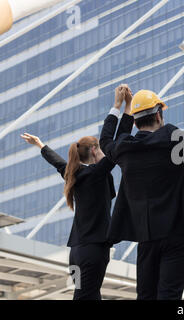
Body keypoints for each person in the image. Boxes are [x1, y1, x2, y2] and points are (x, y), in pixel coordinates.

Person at [100, 60, 184, 300]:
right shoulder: (172, 140)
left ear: (136, 121)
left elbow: (106, 141)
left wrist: (120, 107)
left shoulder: (122, 150)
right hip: (177, 234)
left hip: (146, 238)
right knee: (169, 296)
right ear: (159, 114)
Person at [20, 84, 134, 300]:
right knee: (88, 295)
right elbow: (119, 144)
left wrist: (41, 145)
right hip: (94, 251)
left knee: (84, 294)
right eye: (101, 148)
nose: (104, 151)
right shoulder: (95, 173)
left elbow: (58, 163)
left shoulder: (73, 174)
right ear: (93, 151)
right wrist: (122, 107)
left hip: (76, 253)